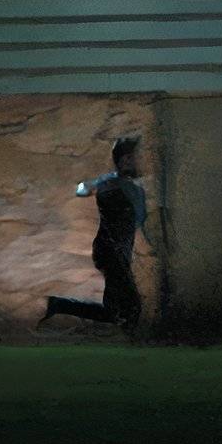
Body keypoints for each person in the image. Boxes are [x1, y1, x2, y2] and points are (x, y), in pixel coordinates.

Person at [41, 135, 153, 336]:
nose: (143, 161)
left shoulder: (126, 186)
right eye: (139, 156)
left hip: (115, 254)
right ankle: (135, 347)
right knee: (131, 310)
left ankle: (60, 305)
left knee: (116, 312)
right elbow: (82, 190)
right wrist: (102, 181)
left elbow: (137, 220)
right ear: (126, 160)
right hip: (112, 255)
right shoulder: (115, 186)